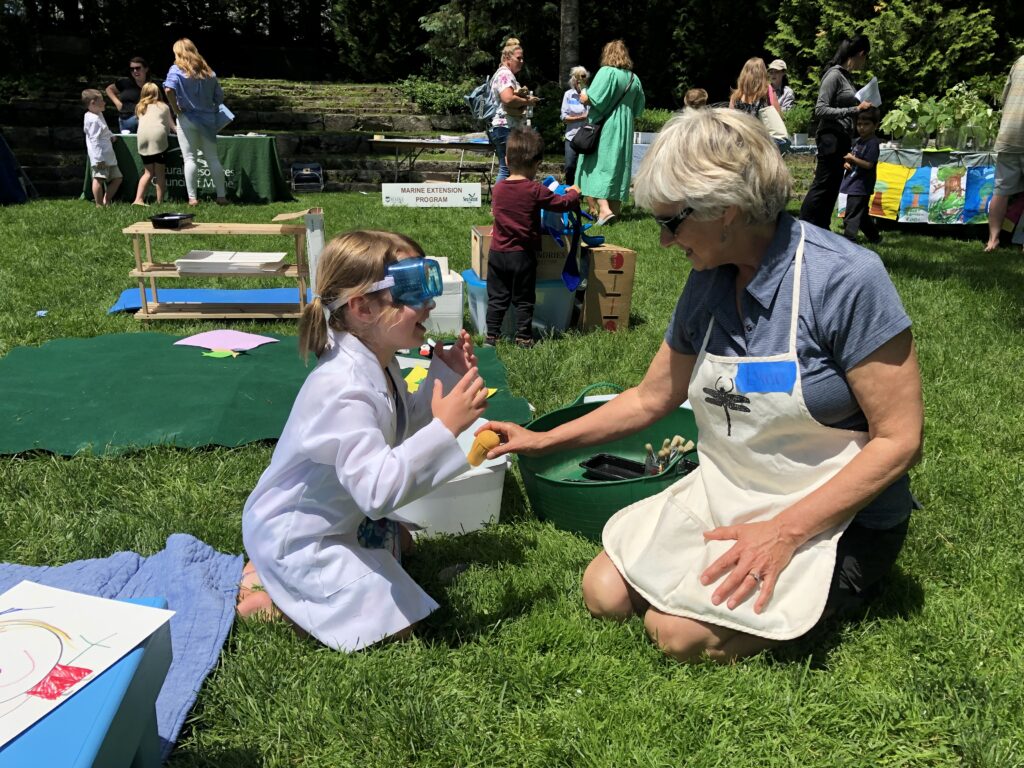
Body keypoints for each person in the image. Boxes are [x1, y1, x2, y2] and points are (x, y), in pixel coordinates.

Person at [480, 108, 923, 664]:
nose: (664, 241)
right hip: (731, 489)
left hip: (836, 515)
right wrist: (542, 441)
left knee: (677, 635)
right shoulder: (707, 279)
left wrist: (783, 532)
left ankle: (843, 588)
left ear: (725, 211)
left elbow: (900, 440)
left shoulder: (845, 279)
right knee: (603, 593)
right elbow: (652, 397)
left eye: (671, 222)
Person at [238, 230, 490, 651]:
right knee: (400, 625)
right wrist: (446, 428)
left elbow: (397, 427)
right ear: (362, 307)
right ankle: (273, 604)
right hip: (298, 538)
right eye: (413, 289)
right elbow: (377, 492)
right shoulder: (343, 387)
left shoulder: (377, 362)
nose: (429, 303)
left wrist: (443, 379)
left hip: (334, 518)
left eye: (430, 285)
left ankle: (272, 573)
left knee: (404, 545)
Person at [486, 127, 581, 348]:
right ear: (537, 164)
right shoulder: (534, 190)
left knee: (497, 297)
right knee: (524, 298)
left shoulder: (498, 188)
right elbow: (562, 204)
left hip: (497, 253)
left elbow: (501, 214)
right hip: (522, 255)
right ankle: (524, 337)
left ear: (506, 160)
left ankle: (491, 336)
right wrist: (574, 193)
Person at [799, 35, 874, 230]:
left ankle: (822, 229)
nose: (864, 62)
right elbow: (820, 109)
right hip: (830, 137)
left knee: (832, 187)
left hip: (842, 138)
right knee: (822, 184)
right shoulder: (834, 75)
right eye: (865, 58)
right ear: (860, 54)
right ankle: (804, 224)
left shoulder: (846, 77)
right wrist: (854, 109)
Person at [577, 39, 645, 226]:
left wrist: (583, 91)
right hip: (625, 127)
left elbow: (592, 99)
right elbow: (638, 108)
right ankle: (614, 213)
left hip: (605, 126)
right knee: (617, 167)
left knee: (596, 165)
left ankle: (604, 209)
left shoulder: (606, 72)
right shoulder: (633, 78)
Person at [163, 38, 228, 206]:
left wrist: (176, 109)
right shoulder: (209, 72)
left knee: (189, 158)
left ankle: (192, 198)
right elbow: (219, 97)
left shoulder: (176, 69)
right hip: (208, 119)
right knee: (213, 158)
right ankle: (221, 196)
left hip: (187, 118)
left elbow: (168, 89)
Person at [985, 54, 1024, 252]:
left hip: (1009, 134)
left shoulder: (1019, 61)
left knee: (1001, 192)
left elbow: (1004, 97)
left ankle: (993, 241)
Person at [488, 38, 540, 184]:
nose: (522, 61)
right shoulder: (505, 74)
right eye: (518, 58)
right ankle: (499, 199)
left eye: (522, 58)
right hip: (505, 126)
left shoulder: (504, 74)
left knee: (509, 169)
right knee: (508, 169)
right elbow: (508, 98)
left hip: (504, 127)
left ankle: (503, 198)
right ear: (507, 58)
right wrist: (528, 101)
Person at [729, 57, 789, 153]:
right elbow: (778, 117)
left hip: (741, 143)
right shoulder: (767, 92)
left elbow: (730, 121)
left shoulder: (735, 96)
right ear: (762, 73)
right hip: (762, 145)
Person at [840, 106, 881, 244]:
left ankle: (849, 240)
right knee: (861, 215)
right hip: (854, 182)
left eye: (866, 124)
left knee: (851, 214)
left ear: (875, 125)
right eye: (859, 124)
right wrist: (847, 163)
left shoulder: (872, 143)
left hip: (861, 185)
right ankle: (875, 237)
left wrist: (852, 159)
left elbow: (869, 164)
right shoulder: (858, 141)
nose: (862, 128)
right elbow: (854, 158)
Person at [132, 82, 176, 205]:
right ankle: (159, 201)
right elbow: (172, 126)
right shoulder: (164, 106)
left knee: (148, 173)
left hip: (142, 140)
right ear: (158, 93)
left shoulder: (139, 107)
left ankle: (138, 199)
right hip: (158, 139)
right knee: (160, 173)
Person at [81, 89, 122, 206]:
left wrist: (111, 135)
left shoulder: (99, 115)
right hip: (100, 157)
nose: (104, 103)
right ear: (93, 103)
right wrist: (99, 159)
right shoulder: (92, 120)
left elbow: (104, 129)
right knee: (99, 179)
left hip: (109, 155)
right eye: (102, 101)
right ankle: (99, 205)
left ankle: (106, 200)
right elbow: (94, 140)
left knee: (118, 178)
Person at [106, 57, 161, 133]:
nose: (135, 71)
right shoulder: (125, 82)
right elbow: (109, 89)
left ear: (146, 69)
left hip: (147, 121)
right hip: (126, 119)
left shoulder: (153, 86)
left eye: (138, 68)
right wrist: (118, 104)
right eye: (132, 69)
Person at [560, 66, 590, 186]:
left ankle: (583, 191)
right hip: (571, 136)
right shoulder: (568, 95)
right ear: (573, 80)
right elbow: (564, 117)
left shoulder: (590, 94)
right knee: (570, 166)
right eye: (577, 78)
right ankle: (569, 190)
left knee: (585, 167)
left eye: (583, 78)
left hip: (587, 137)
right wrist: (580, 118)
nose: (580, 81)